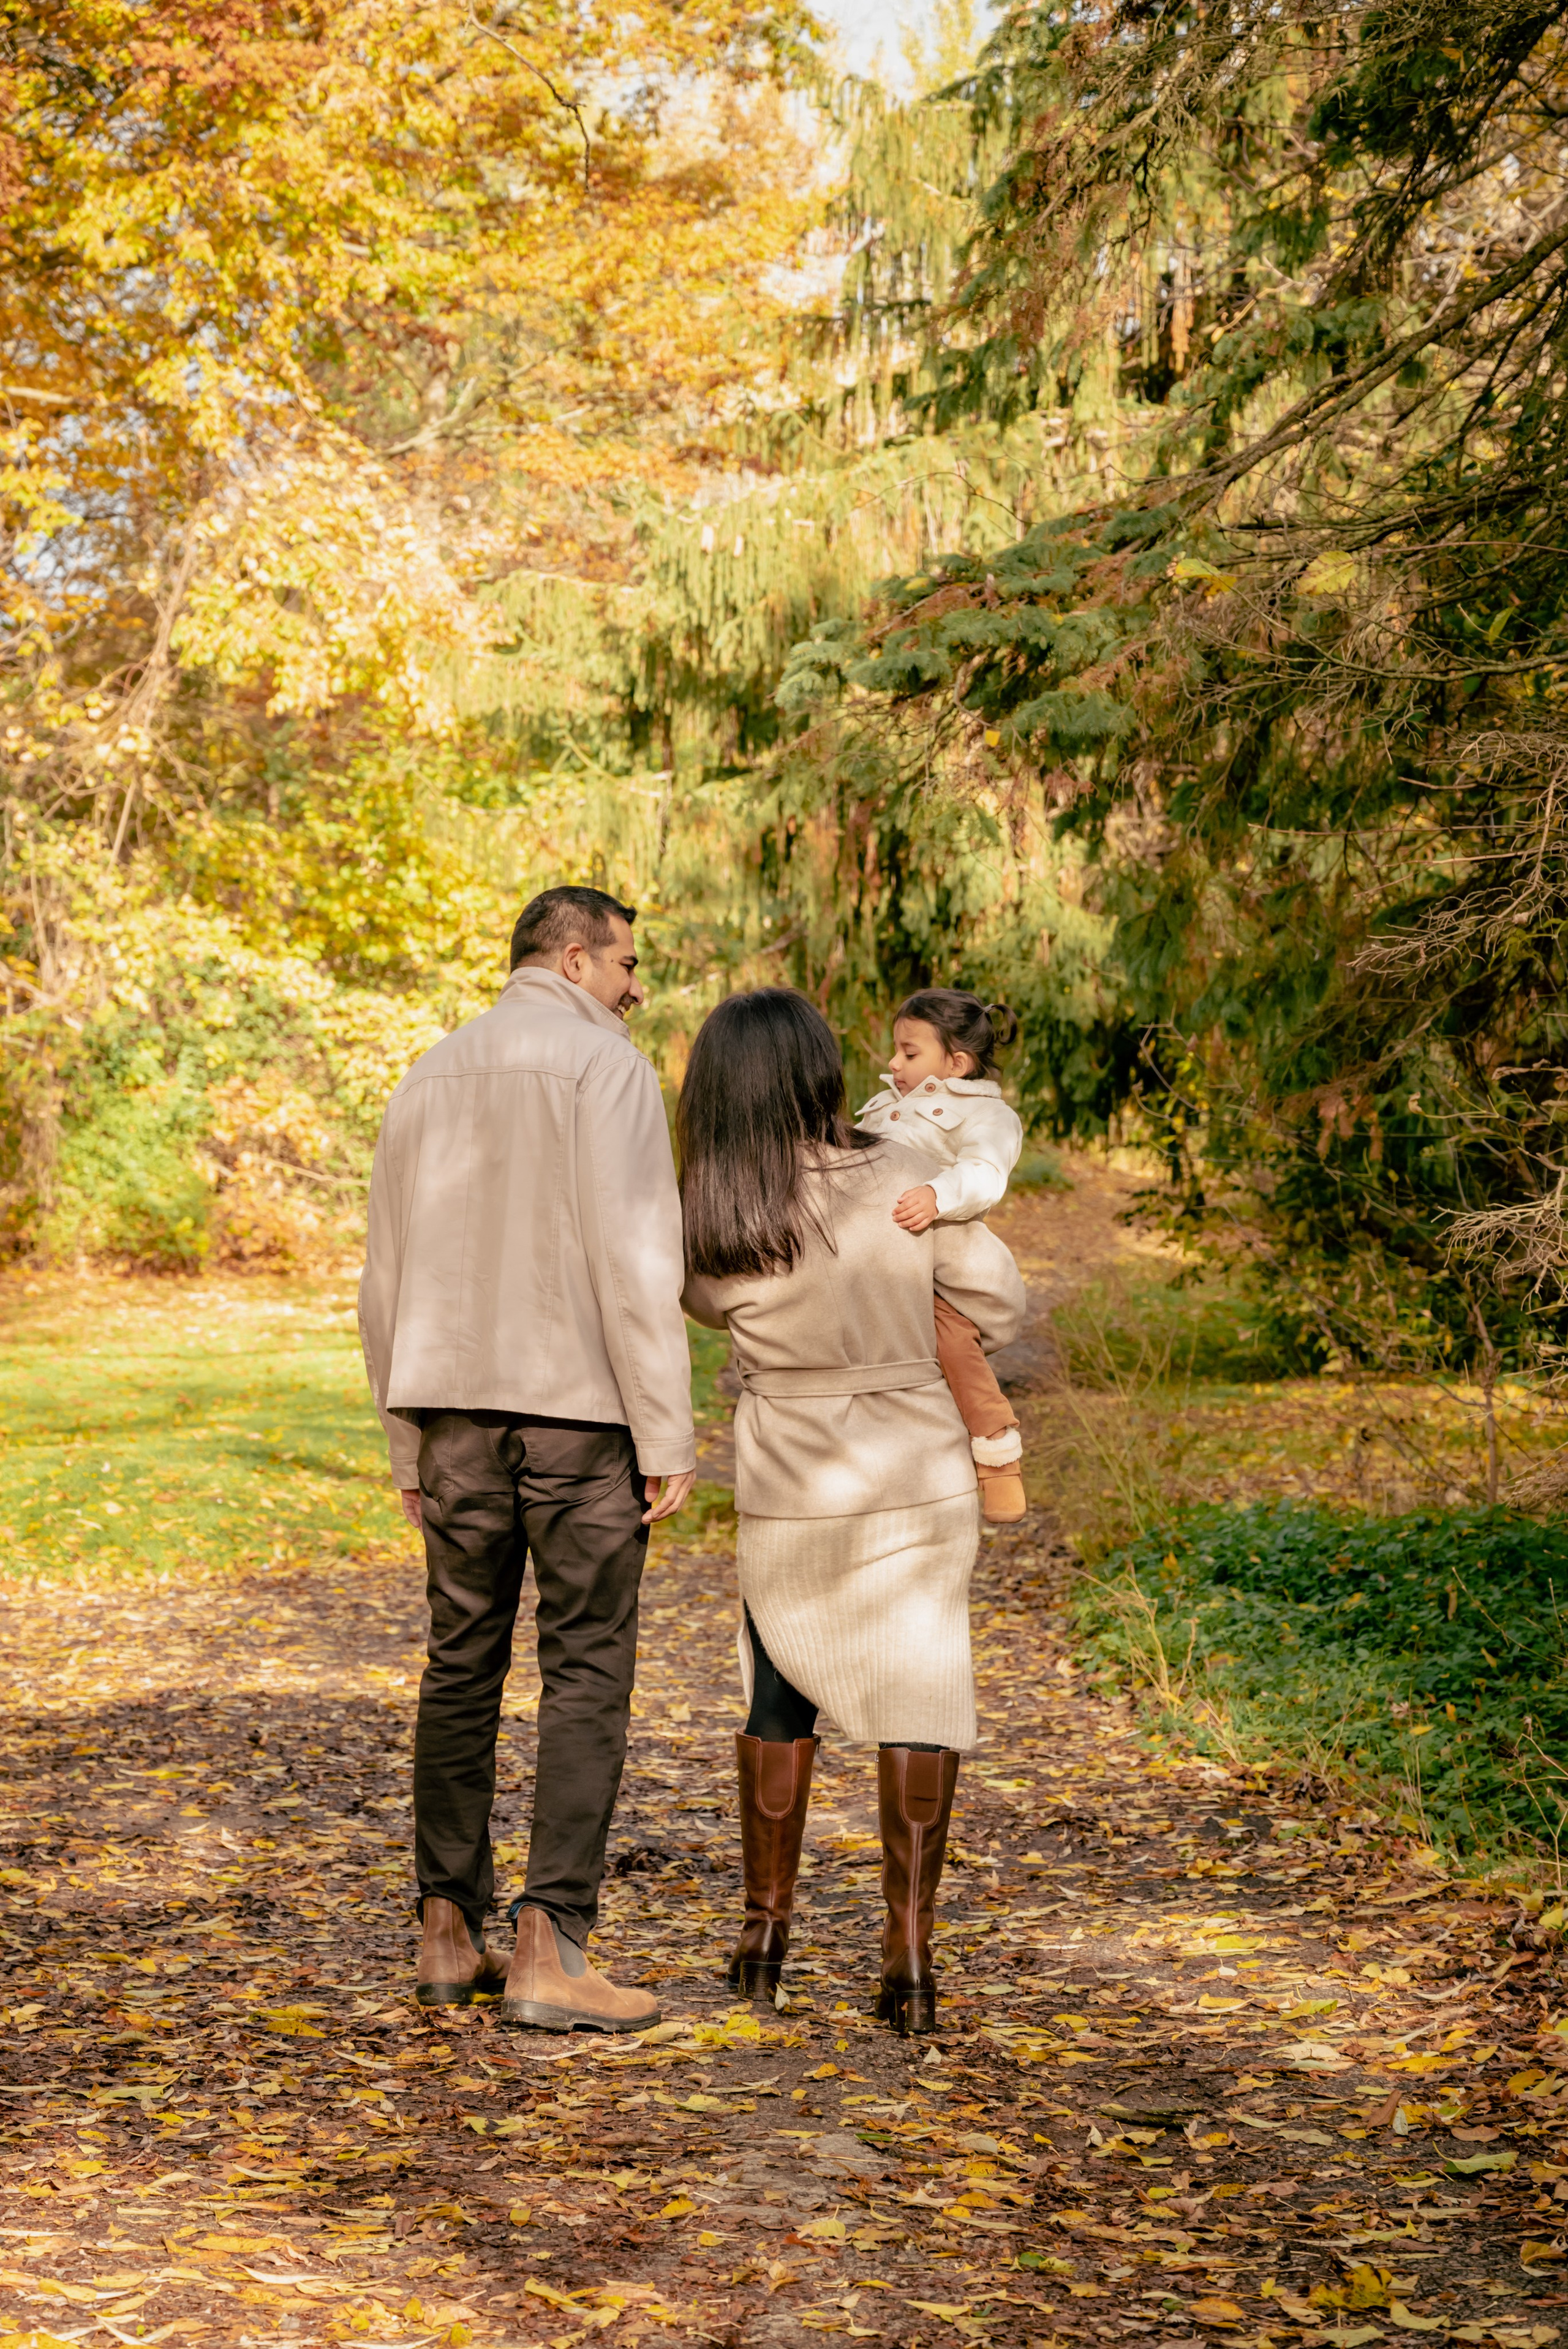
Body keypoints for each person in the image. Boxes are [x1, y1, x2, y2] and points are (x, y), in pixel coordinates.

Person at [359, 884, 696, 2032]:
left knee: (460, 1664)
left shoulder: (429, 1072)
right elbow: (636, 1259)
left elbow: (384, 1276)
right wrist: (665, 1430)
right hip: (577, 1417)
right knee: (586, 1667)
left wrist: (405, 1438)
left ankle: (445, 1930)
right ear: (573, 957)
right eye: (627, 964)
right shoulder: (607, 1069)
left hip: (452, 1415)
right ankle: (550, 1947)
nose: (636, 987)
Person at [679, 990, 1025, 2035]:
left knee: (778, 1689)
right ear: (820, 1071)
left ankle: (764, 1938)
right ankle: (909, 1958)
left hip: (792, 1477)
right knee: (922, 1690)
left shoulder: (717, 1202)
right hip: (915, 1465)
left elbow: (704, 1304)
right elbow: (997, 1298)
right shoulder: (904, 1171)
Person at [856, 990, 1027, 1523]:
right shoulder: (884, 1105)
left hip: (938, 1263)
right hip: (877, 1255)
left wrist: (938, 1194)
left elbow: (984, 1173)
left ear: (957, 1063)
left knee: (950, 1337)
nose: (894, 1063)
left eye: (909, 1053)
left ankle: (997, 1450)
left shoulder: (990, 1116)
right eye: (896, 1050)